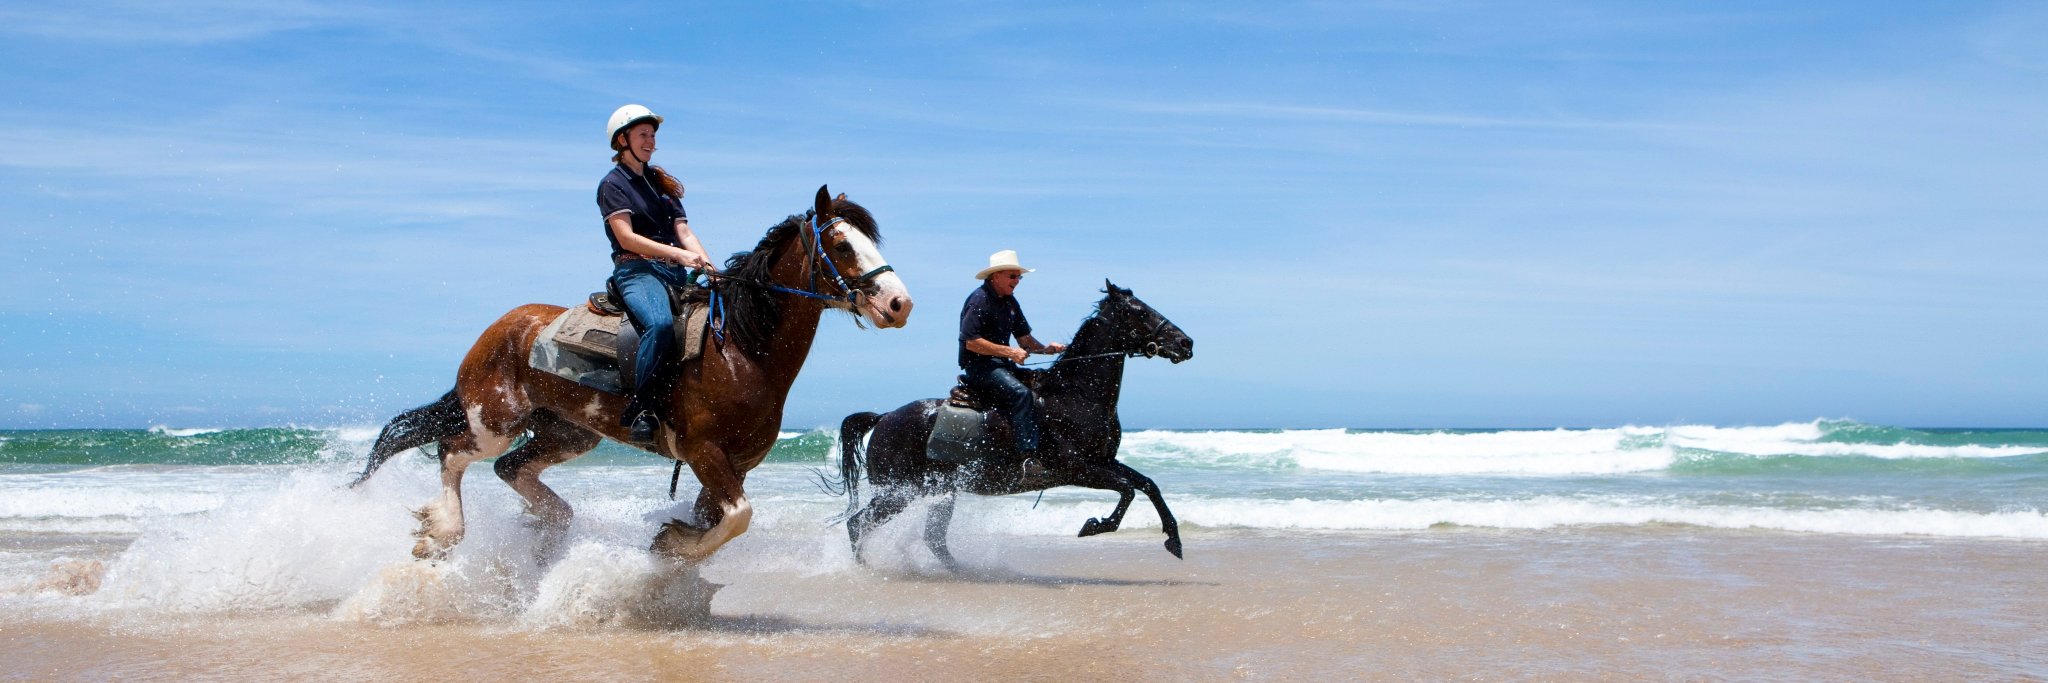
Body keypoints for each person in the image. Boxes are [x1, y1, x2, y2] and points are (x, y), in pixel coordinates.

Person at [597, 104, 719, 445]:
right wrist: (680, 255)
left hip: (675, 272)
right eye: (643, 135)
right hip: (636, 271)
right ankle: (642, 409)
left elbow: (685, 232)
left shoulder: (661, 184)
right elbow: (627, 238)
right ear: (623, 140)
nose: (651, 142)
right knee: (661, 325)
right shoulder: (613, 184)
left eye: (653, 136)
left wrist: (710, 268)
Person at [958, 250, 1067, 471]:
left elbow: (1025, 339)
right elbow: (971, 341)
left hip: (1002, 365)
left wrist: (1047, 349)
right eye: (1012, 276)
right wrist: (1010, 352)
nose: (1017, 281)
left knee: (1044, 386)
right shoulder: (979, 299)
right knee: (1021, 394)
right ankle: (1027, 458)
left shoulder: (1010, 302)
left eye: (1019, 277)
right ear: (995, 276)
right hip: (979, 367)